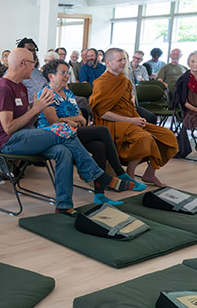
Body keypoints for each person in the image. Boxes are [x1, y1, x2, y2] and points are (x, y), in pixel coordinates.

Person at [0, 48, 135, 215]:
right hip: (12, 142)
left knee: (63, 151)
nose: (35, 67)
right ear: (23, 64)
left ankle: (64, 205)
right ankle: (97, 175)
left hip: (29, 135)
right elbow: (8, 128)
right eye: (32, 63)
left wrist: (37, 110)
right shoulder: (3, 88)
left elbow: (28, 120)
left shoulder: (21, 87)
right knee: (64, 129)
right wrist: (35, 109)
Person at [37, 60, 146, 205]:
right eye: (62, 73)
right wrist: (73, 120)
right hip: (54, 134)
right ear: (51, 76)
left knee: (99, 146)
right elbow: (54, 122)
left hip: (73, 130)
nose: (66, 76)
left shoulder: (68, 93)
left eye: (67, 73)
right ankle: (120, 172)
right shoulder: (45, 94)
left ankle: (99, 195)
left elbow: (81, 118)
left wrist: (72, 120)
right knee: (102, 130)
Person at [90, 48, 178, 187]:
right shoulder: (101, 82)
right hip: (111, 122)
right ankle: (129, 174)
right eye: (120, 60)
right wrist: (131, 120)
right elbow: (101, 113)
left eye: (124, 59)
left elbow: (128, 106)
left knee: (167, 136)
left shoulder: (124, 81)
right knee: (143, 138)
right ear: (108, 62)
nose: (124, 62)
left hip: (129, 119)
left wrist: (134, 117)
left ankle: (150, 174)